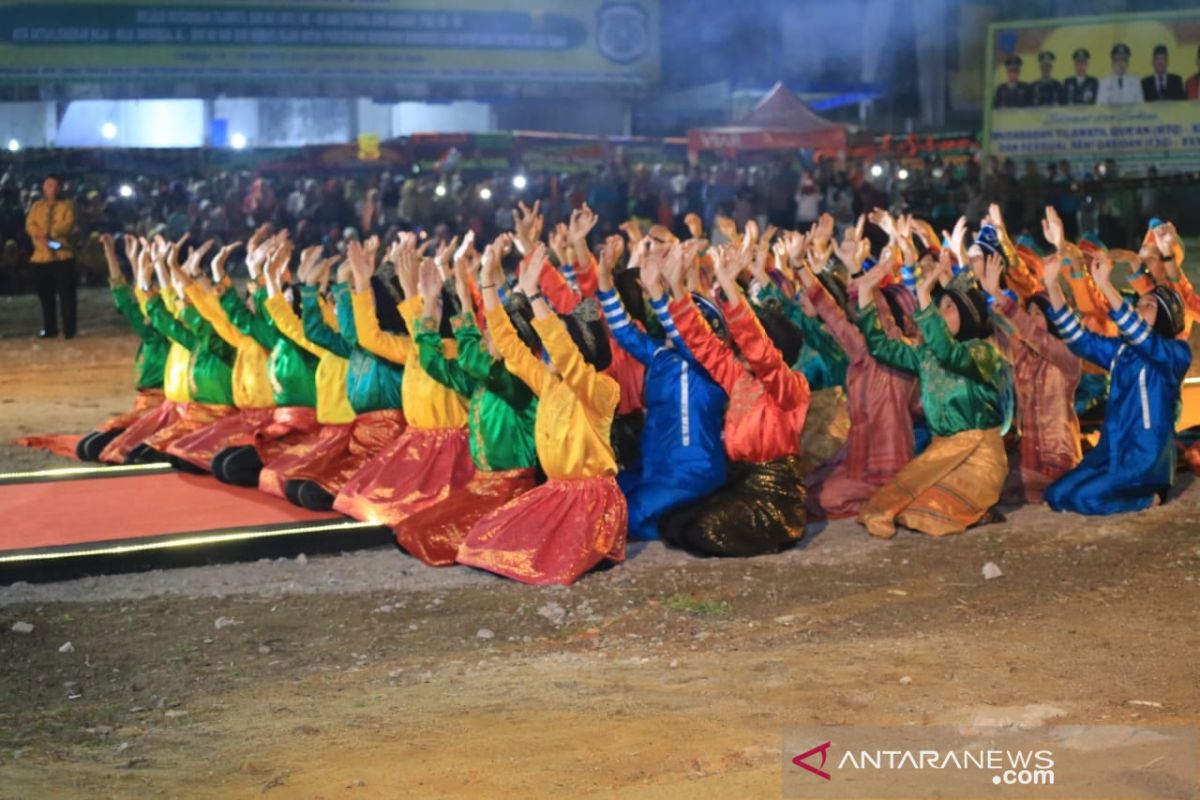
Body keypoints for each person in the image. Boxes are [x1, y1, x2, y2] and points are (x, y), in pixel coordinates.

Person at [456, 242, 628, 585]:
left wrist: (535, 295)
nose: (549, 342)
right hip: (557, 492)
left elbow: (568, 359)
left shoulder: (602, 389)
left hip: (592, 501)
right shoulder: (551, 384)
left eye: (560, 336)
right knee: (483, 540)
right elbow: (511, 348)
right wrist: (488, 283)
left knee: (550, 563)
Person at [391, 238, 539, 566]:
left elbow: (475, 362)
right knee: (408, 528)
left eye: (493, 335)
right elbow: (432, 362)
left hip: (511, 490)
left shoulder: (516, 384)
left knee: (430, 537)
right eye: (486, 334)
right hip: (480, 485)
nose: (487, 337)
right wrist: (428, 304)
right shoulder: (481, 379)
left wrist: (466, 306)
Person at [659, 243, 811, 557]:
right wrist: (675, 287)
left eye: (745, 351)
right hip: (742, 482)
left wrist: (729, 286)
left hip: (774, 494)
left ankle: (777, 533)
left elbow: (761, 352)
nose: (740, 355)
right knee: (672, 525)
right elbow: (705, 346)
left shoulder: (788, 387)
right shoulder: (742, 380)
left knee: (705, 531)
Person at [854, 258, 1009, 539]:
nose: (940, 313)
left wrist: (924, 296)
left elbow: (951, 354)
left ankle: (978, 509)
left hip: (978, 457)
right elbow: (883, 348)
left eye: (950, 308)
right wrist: (865, 293)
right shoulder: (926, 354)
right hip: (941, 452)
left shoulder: (983, 353)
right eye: (939, 307)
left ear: (969, 314)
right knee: (894, 505)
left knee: (925, 514)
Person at [596, 235, 728, 541]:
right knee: (601, 501)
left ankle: (685, 522)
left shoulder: (711, 365)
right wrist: (604, 280)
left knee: (624, 520)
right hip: (655, 467)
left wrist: (659, 291)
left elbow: (687, 336)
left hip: (690, 473)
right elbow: (623, 331)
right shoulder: (661, 356)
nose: (676, 322)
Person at [1042, 250, 1191, 514]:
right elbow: (1079, 339)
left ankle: (1149, 498)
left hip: (1144, 458)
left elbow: (1141, 335)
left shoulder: (1175, 354)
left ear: (1167, 317)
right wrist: (1052, 285)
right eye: (1138, 304)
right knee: (1057, 495)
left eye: (1148, 305)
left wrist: (1105, 285)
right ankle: (1115, 485)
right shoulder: (1124, 350)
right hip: (1112, 451)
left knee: (1084, 500)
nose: (1137, 308)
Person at [978, 252, 1082, 503]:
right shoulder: (1024, 354)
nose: (1032, 318)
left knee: (992, 488)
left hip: (1060, 459)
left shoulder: (1067, 356)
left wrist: (1002, 296)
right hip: (1029, 457)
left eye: (1038, 312)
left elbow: (1033, 335)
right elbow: (999, 332)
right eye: (1030, 311)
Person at [75, 234, 171, 461]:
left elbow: (145, 297)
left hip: (167, 407)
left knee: (111, 451)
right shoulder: (152, 334)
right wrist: (114, 255)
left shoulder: (176, 336)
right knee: (86, 448)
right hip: (146, 404)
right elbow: (125, 298)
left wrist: (158, 265)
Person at [25, 174, 77, 339]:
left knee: (66, 296)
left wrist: (49, 234)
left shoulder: (68, 206)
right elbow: (30, 224)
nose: (52, 189)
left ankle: (69, 329)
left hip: (63, 255)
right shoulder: (37, 207)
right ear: (43, 187)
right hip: (41, 257)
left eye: (55, 186)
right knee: (45, 296)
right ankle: (50, 328)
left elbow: (68, 224)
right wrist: (40, 235)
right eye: (48, 186)